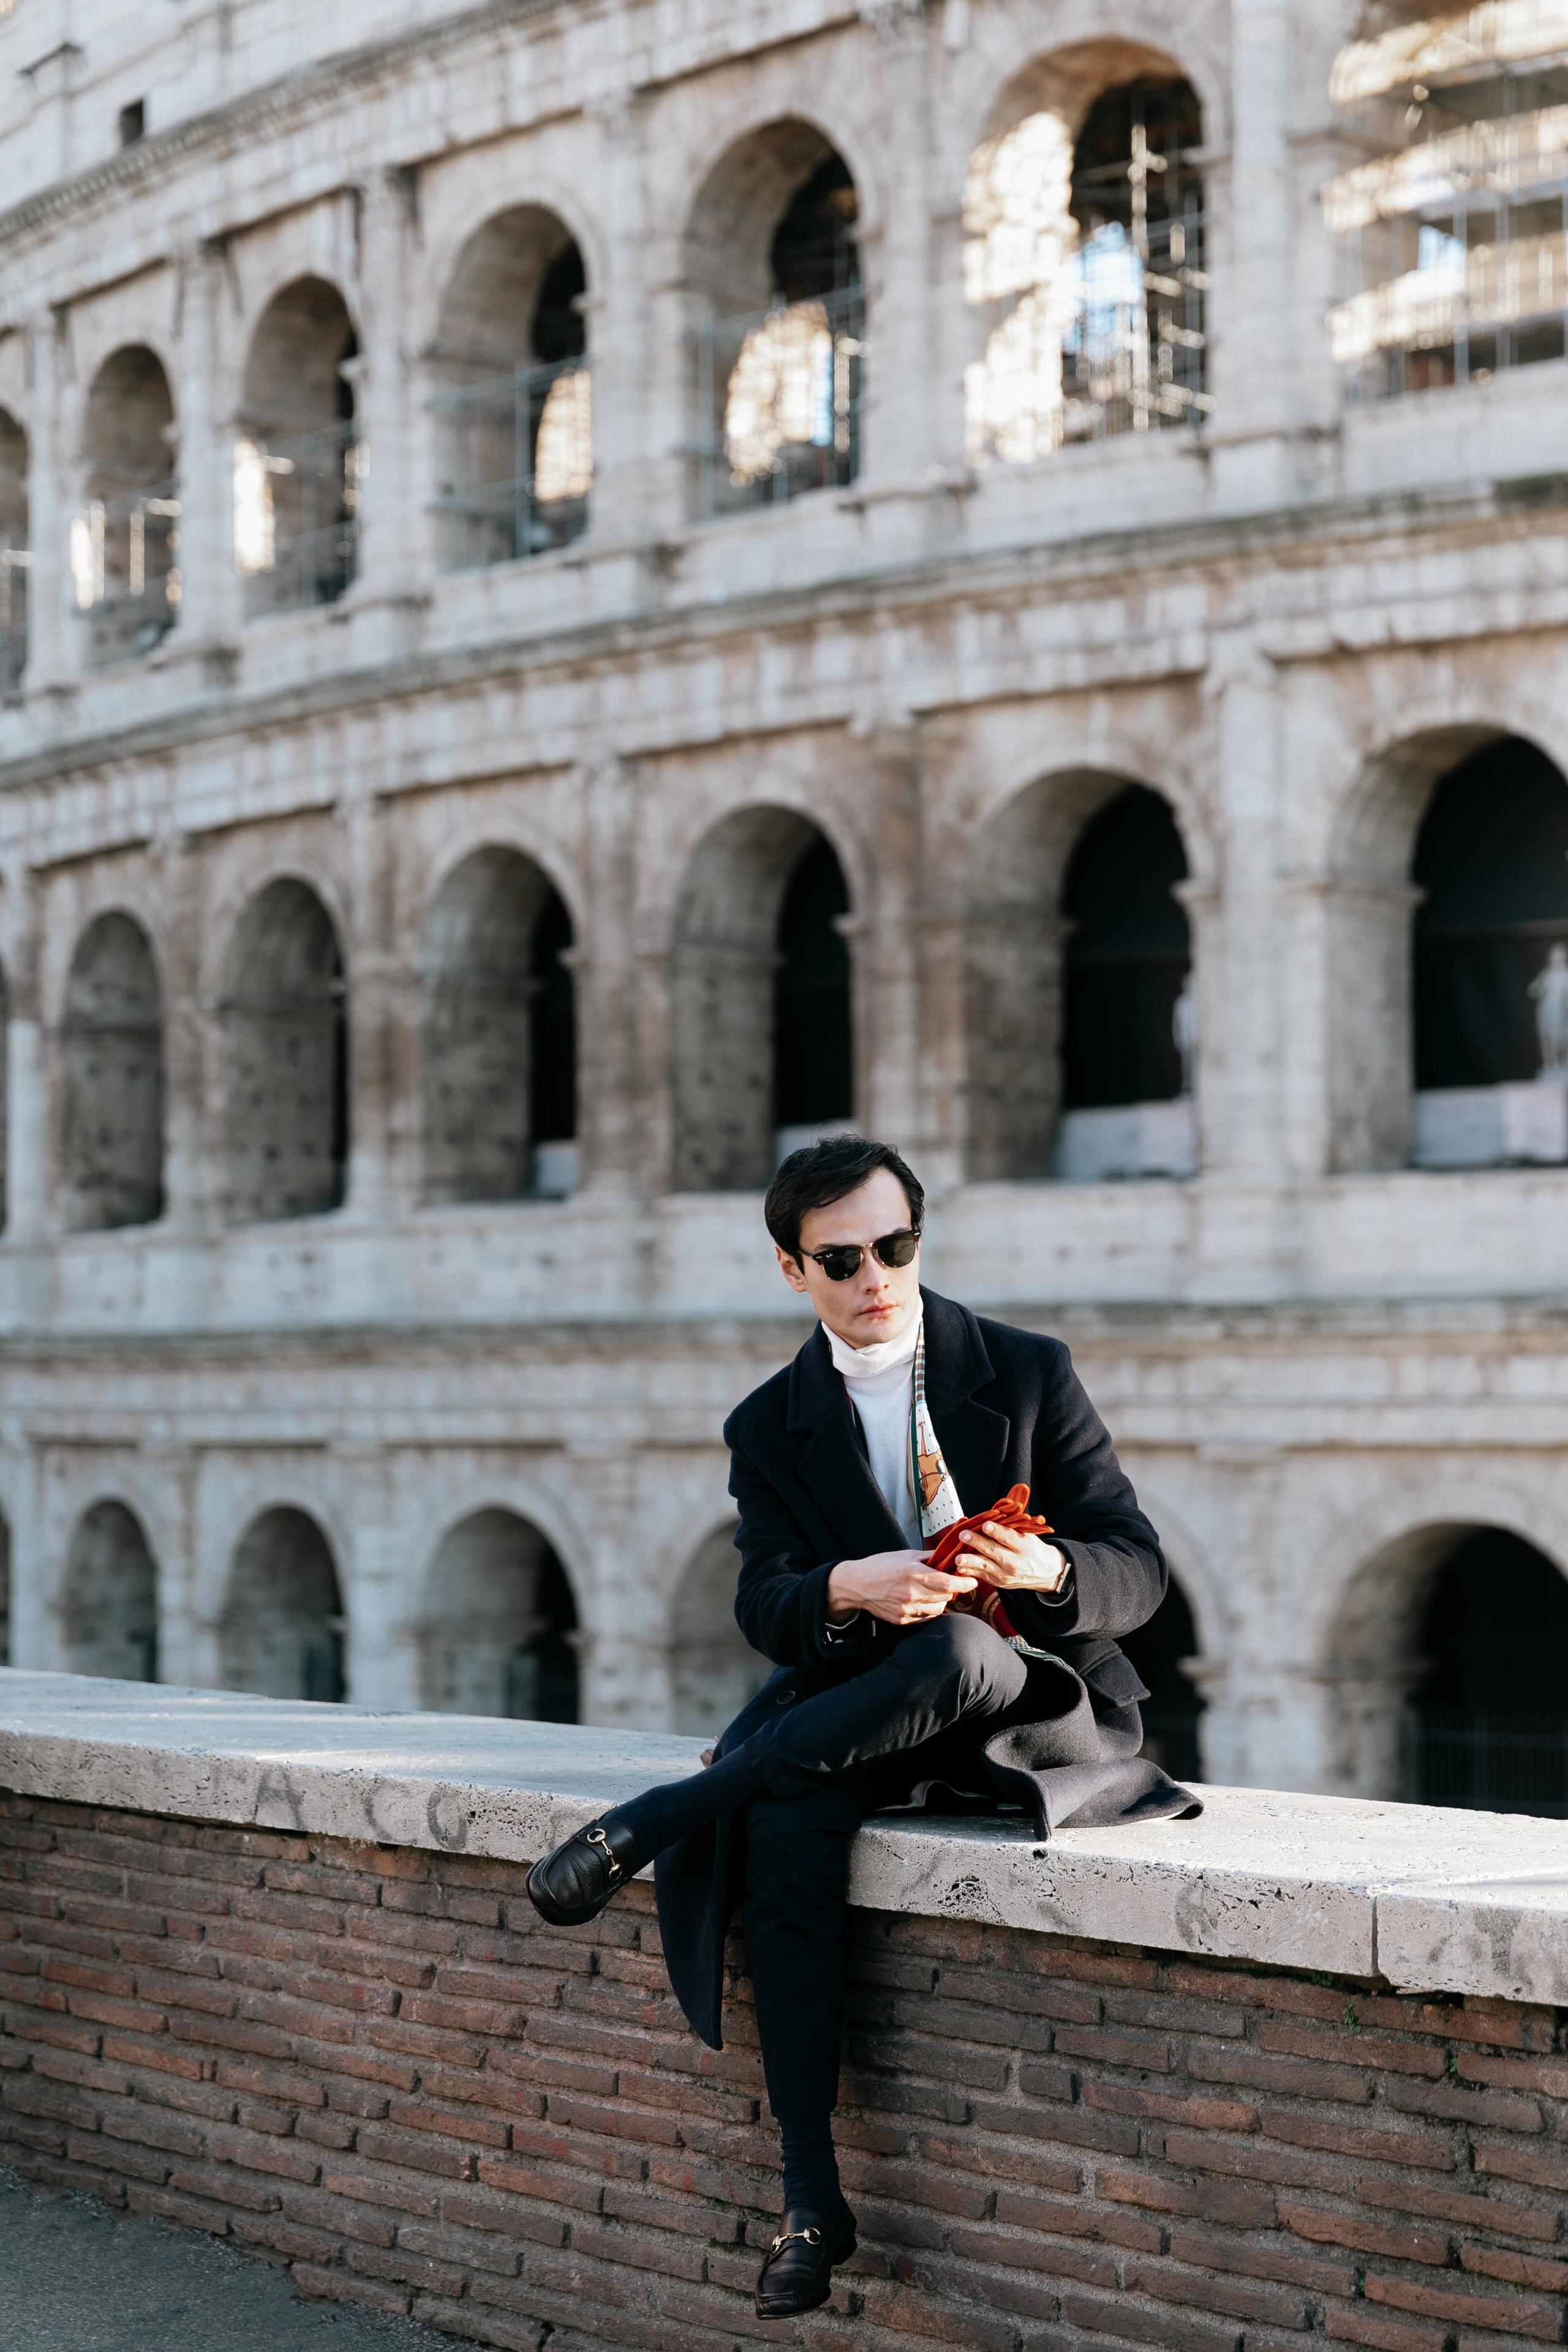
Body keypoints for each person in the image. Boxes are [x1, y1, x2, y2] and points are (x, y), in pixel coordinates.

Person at [526, 1136, 1199, 2317]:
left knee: (952, 1650)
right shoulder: (767, 1422)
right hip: (867, 1709)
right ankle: (808, 2194)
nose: (876, 1275)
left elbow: (1137, 1571)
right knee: (787, 1841)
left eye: (896, 1246)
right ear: (794, 1271)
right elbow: (765, 1605)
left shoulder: (1027, 1371)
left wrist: (1046, 1567)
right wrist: (847, 1588)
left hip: (1023, 1697)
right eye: (843, 1259)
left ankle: (664, 1815)